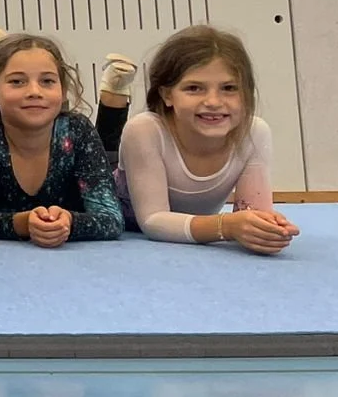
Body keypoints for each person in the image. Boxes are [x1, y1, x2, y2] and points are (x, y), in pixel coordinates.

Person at [114, 25, 297, 253]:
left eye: (229, 88)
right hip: (111, 218)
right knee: (103, 149)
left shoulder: (254, 133)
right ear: (167, 95)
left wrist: (265, 229)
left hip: (192, 227)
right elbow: (153, 221)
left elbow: (248, 213)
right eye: (194, 88)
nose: (213, 101)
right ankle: (113, 93)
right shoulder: (145, 130)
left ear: (247, 93)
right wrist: (226, 226)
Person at [0, 33, 122, 246]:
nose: (34, 92)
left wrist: (69, 222)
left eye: (47, 81)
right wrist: (23, 223)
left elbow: (111, 218)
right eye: (17, 82)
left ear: (63, 91)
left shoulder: (76, 130)